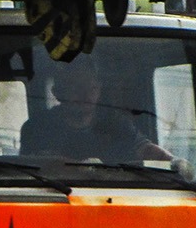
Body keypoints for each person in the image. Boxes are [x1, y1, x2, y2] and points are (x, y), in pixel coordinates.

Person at [20, 60, 172, 164]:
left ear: (99, 90)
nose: (85, 95)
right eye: (76, 88)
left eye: (92, 88)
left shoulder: (115, 123)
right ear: (58, 92)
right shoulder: (36, 128)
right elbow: (29, 171)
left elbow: (145, 149)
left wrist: (175, 162)